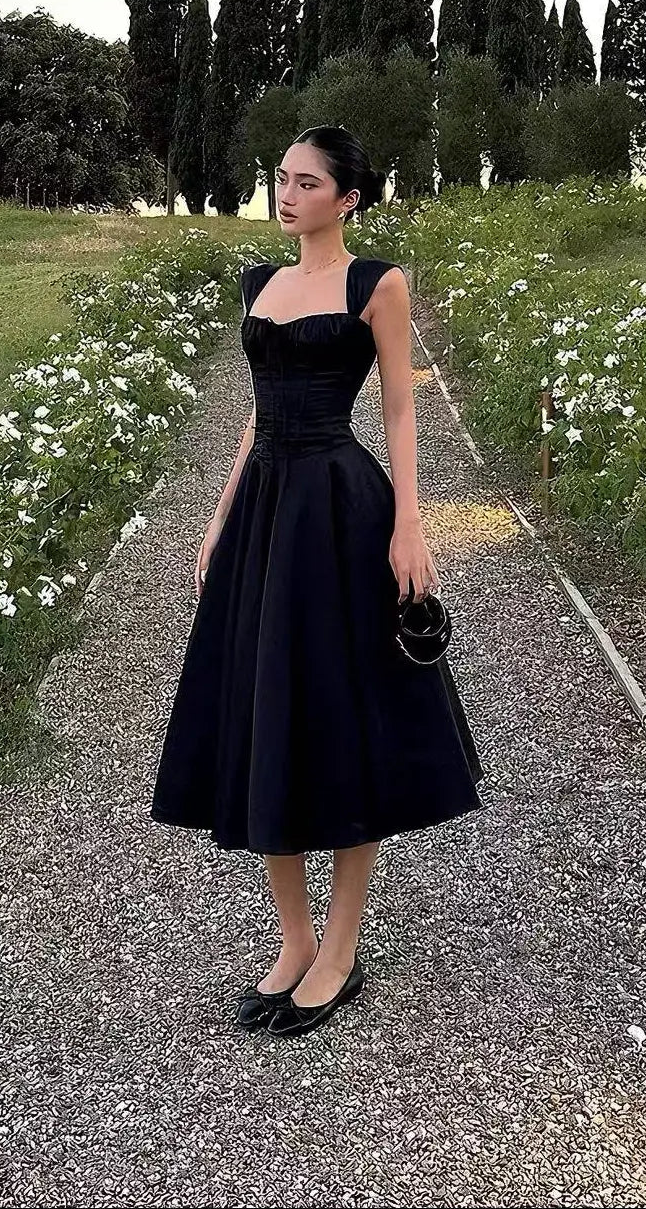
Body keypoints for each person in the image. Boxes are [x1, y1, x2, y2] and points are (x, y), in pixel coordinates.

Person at [150, 125, 485, 1038]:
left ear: (348, 198)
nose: (285, 195)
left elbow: (401, 407)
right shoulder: (258, 283)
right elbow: (255, 420)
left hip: (340, 511)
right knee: (266, 712)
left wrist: (410, 524)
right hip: (266, 513)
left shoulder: (378, 283)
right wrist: (219, 515)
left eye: (305, 183)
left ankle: (341, 947)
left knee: (342, 718)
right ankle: (294, 938)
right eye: (281, 179)